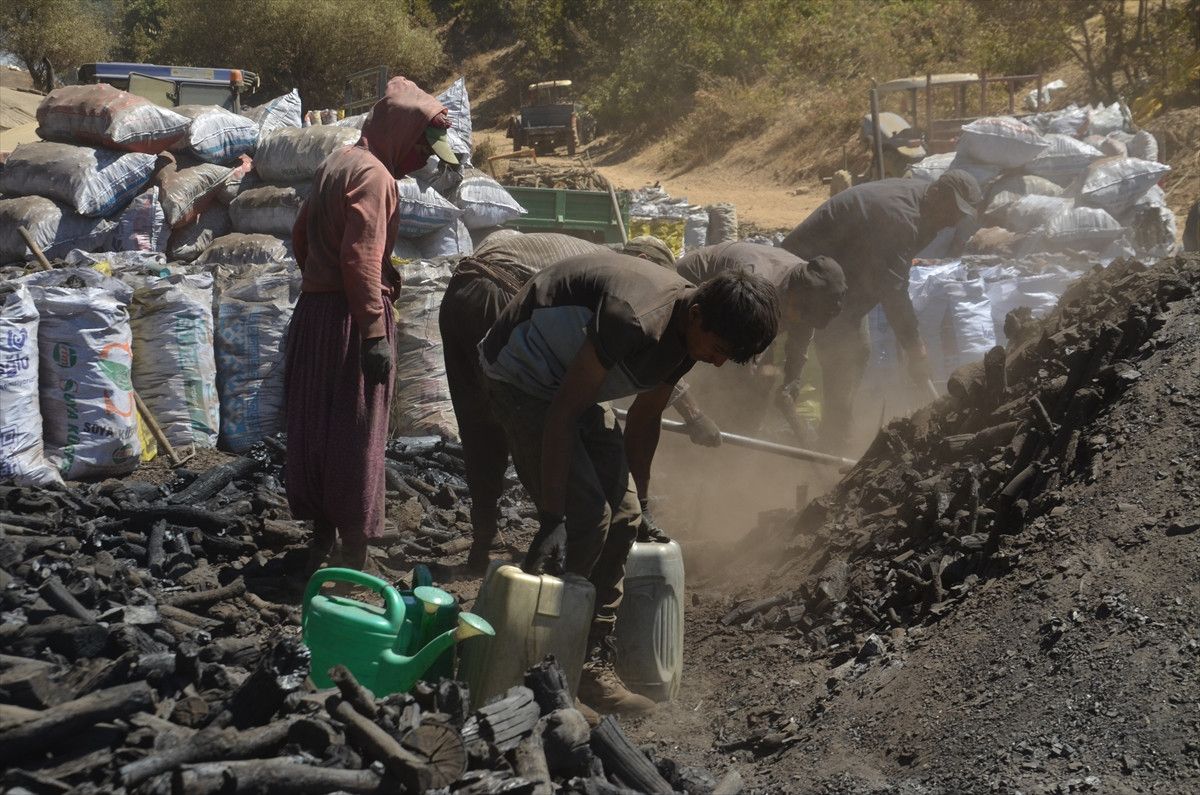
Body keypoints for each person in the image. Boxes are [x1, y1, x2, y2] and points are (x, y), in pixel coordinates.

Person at [477, 251, 779, 713]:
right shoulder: (634, 318)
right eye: (717, 350)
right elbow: (561, 413)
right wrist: (552, 516)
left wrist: (643, 506)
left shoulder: (690, 332)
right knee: (585, 520)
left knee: (624, 519)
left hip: (578, 385)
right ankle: (540, 669)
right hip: (524, 375)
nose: (717, 363)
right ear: (697, 314)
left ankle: (586, 661)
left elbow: (644, 419)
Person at [440, 233, 720, 572]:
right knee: (534, 421)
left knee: (479, 424)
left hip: (458, 293)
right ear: (647, 263)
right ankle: (558, 540)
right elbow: (644, 344)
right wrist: (694, 414)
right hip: (498, 290)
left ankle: (484, 541)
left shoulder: (605, 264)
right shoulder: (625, 286)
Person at [286, 77, 459, 573]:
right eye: (424, 149)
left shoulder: (333, 163)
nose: (425, 161)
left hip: (315, 313)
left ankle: (320, 546)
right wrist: (372, 332)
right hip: (349, 319)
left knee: (317, 432)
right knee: (358, 438)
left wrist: (319, 283)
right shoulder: (376, 177)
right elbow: (361, 259)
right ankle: (355, 562)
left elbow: (301, 237)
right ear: (401, 134)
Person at [780, 169, 981, 451]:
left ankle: (833, 442)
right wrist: (915, 349)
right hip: (804, 280)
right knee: (805, 357)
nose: (953, 222)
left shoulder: (925, 208)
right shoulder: (900, 216)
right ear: (936, 194)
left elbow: (885, 278)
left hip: (842, 286)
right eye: (952, 211)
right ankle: (827, 445)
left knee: (856, 353)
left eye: (960, 216)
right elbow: (894, 292)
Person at [674, 241, 846, 436]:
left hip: (738, 314)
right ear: (794, 294)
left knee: (761, 380)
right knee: (721, 368)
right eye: (801, 314)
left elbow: (799, 343)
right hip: (690, 290)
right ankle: (699, 430)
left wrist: (791, 383)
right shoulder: (758, 283)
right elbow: (741, 358)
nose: (800, 321)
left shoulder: (809, 293)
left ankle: (743, 435)